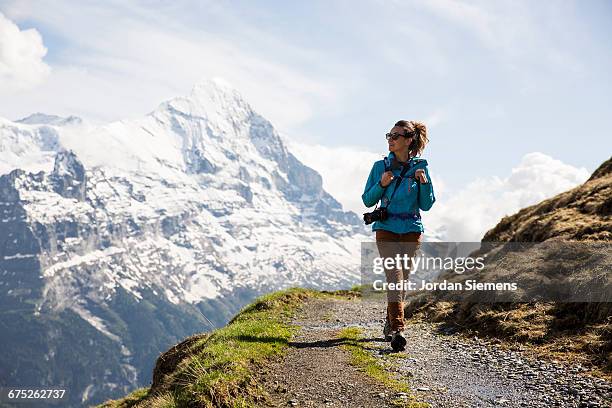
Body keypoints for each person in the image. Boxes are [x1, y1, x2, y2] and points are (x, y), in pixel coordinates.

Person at [361, 120, 435, 351]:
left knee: (401, 281)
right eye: (389, 136)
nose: (391, 140)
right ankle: (398, 330)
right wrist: (381, 184)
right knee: (394, 277)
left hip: (412, 230)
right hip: (385, 228)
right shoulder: (379, 167)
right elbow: (367, 199)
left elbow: (427, 204)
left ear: (409, 140)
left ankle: (390, 321)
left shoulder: (421, 166)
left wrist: (424, 184)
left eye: (396, 136)